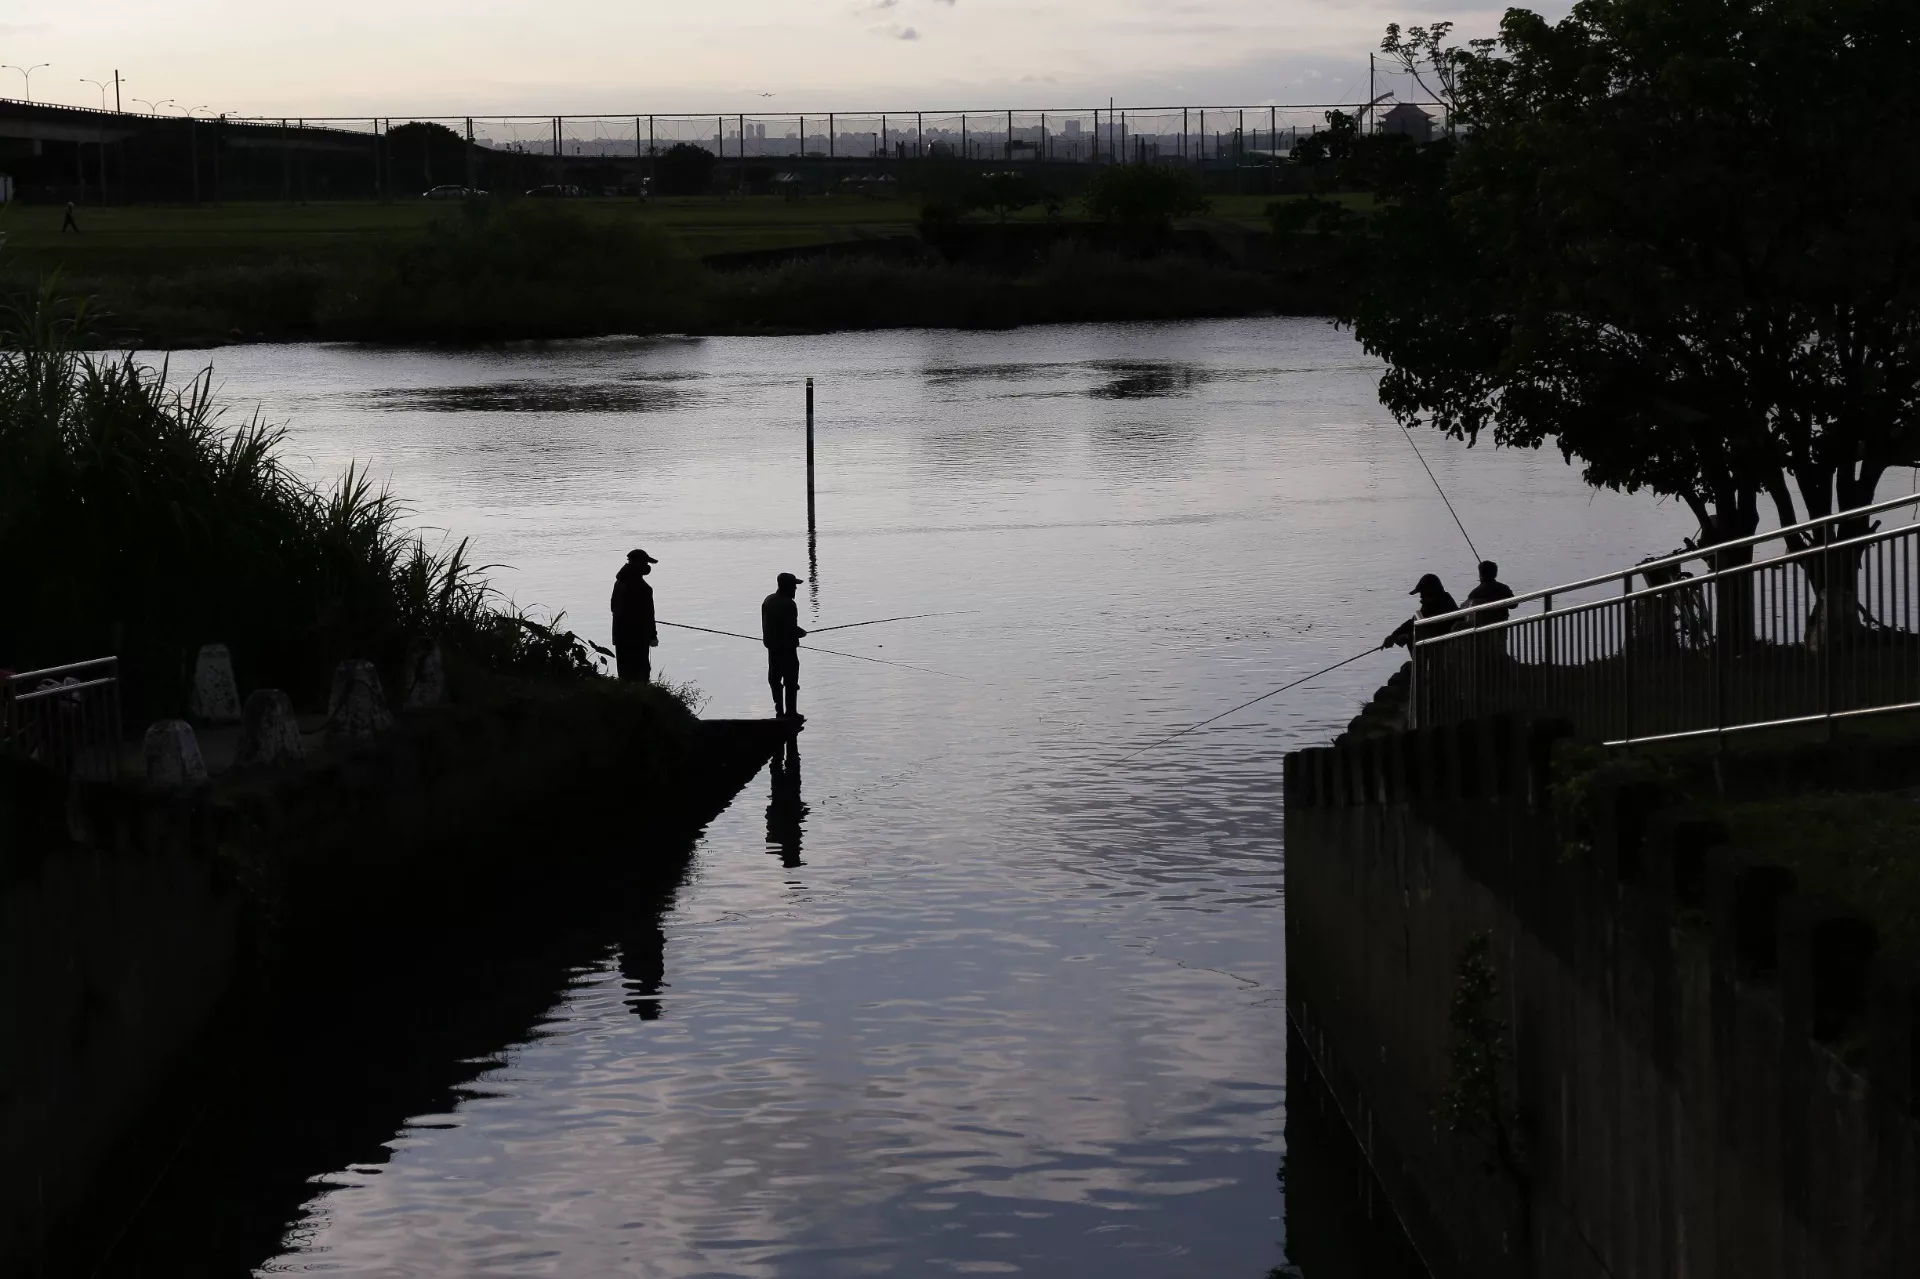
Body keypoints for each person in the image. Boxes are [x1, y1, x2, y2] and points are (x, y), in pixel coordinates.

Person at [761, 571, 807, 720]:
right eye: (794, 586)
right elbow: (792, 629)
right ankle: (791, 712)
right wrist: (802, 633)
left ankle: (779, 711)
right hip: (787, 650)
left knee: (775, 680)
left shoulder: (767, 601)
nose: (795, 589)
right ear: (787, 586)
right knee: (791, 681)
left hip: (772, 649)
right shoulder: (789, 604)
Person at [610, 549, 658, 681]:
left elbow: (614, 608)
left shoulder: (619, 582)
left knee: (625, 672)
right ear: (638, 563)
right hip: (638, 637)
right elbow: (648, 614)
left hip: (620, 635)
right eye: (645, 563)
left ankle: (626, 697)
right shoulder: (643, 588)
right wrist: (653, 636)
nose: (647, 567)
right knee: (641, 672)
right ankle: (640, 698)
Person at [1381, 573, 1461, 649]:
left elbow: (1434, 630)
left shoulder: (1443, 605)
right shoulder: (1432, 604)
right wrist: (1394, 636)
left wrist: (1406, 637)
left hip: (1444, 650)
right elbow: (1413, 623)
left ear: (1432, 593)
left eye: (1423, 593)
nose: (1421, 597)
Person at [1464, 560, 1515, 626]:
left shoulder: (1474, 593)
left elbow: (1468, 614)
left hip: (1482, 630)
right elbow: (1514, 605)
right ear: (1495, 574)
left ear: (1480, 574)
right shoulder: (1503, 588)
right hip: (1500, 628)